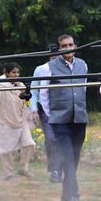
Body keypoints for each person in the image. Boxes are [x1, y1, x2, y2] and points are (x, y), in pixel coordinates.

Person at [46, 34, 89, 201]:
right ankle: (73, 194)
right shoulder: (48, 67)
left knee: (75, 156)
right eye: (64, 46)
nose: (68, 48)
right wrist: (51, 115)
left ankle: (66, 192)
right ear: (59, 48)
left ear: (75, 46)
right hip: (60, 119)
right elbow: (43, 93)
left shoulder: (82, 64)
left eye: (70, 45)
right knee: (68, 156)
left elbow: (84, 87)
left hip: (79, 118)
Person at [0, 62, 36, 180]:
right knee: (6, 149)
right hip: (5, 120)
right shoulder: (1, 86)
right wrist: (4, 114)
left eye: (17, 72)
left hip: (21, 120)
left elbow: (26, 102)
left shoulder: (20, 85)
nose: (16, 74)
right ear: (7, 73)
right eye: (13, 72)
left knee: (29, 144)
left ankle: (23, 168)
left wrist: (28, 108)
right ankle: (8, 173)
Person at [33, 46, 63, 183]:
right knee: (51, 139)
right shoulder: (41, 69)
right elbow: (33, 90)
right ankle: (54, 170)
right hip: (46, 110)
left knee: (63, 140)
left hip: (64, 109)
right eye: (53, 57)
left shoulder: (68, 69)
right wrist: (32, 109)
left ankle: (61, 169)